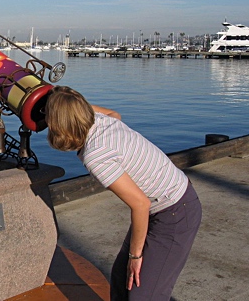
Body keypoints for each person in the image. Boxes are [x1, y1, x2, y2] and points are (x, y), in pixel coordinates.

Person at [44, 86, 202, 300]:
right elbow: (114, 114)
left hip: (175, 212)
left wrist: (136, 256)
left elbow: (140, 205)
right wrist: (73, 107)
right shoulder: (99, 121)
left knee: (142, 294)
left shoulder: (96, 154)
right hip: (164, 206)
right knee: (121, 279)